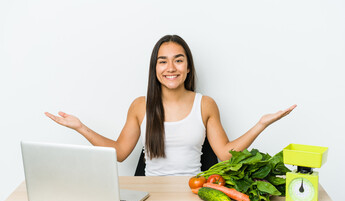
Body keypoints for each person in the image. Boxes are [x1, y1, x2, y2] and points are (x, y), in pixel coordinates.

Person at [45, 35, 296, 176]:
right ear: (155, 69)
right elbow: (120, 153)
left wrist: (261, 124)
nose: (171, 68)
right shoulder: (140, 106)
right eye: (163, 62)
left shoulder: (205, 104)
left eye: (178, 60)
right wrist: (80, 127)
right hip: (149, 195)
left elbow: (225, 155)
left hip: (194, 191)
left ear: (188, 68)